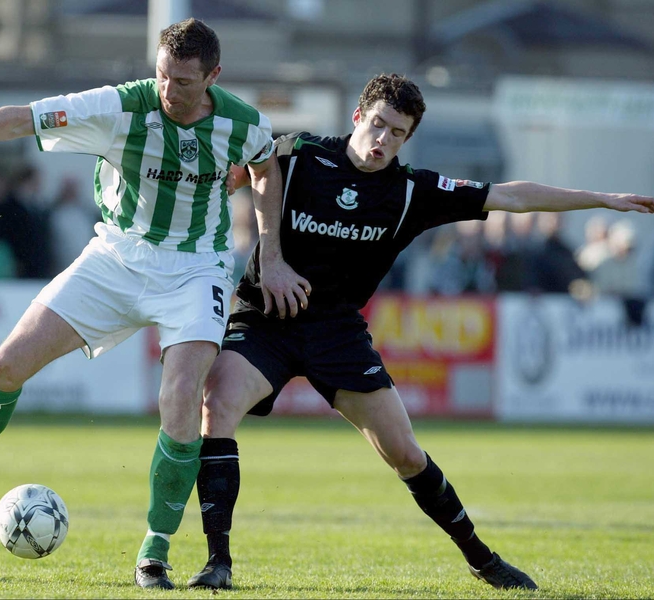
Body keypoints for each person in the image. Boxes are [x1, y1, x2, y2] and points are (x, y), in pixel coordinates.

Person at [0, 19, 305, 590]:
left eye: (184, 82)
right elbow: (20, 118)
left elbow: (266, 166)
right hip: (115, 257)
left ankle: (155, 549)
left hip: (196, 269)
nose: (169, 90)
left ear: (213, 77)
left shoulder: (242, 122)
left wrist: (270, 254)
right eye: (163, 75)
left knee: (180, 397)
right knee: (3, 368)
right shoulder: (120, 106)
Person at [186, 73, 654, 592]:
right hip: (266, 319)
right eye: (379, 125)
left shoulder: (412, 192)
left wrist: (601, 199)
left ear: (408, 139)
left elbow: (511, 198)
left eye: (398, 133)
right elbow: (237, 172)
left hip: (336, 333)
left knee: (406, 454)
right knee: (216, 407)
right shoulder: (300, 153)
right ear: (358, 117)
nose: (383, 140)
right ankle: (217, 562)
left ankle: (482, 558)